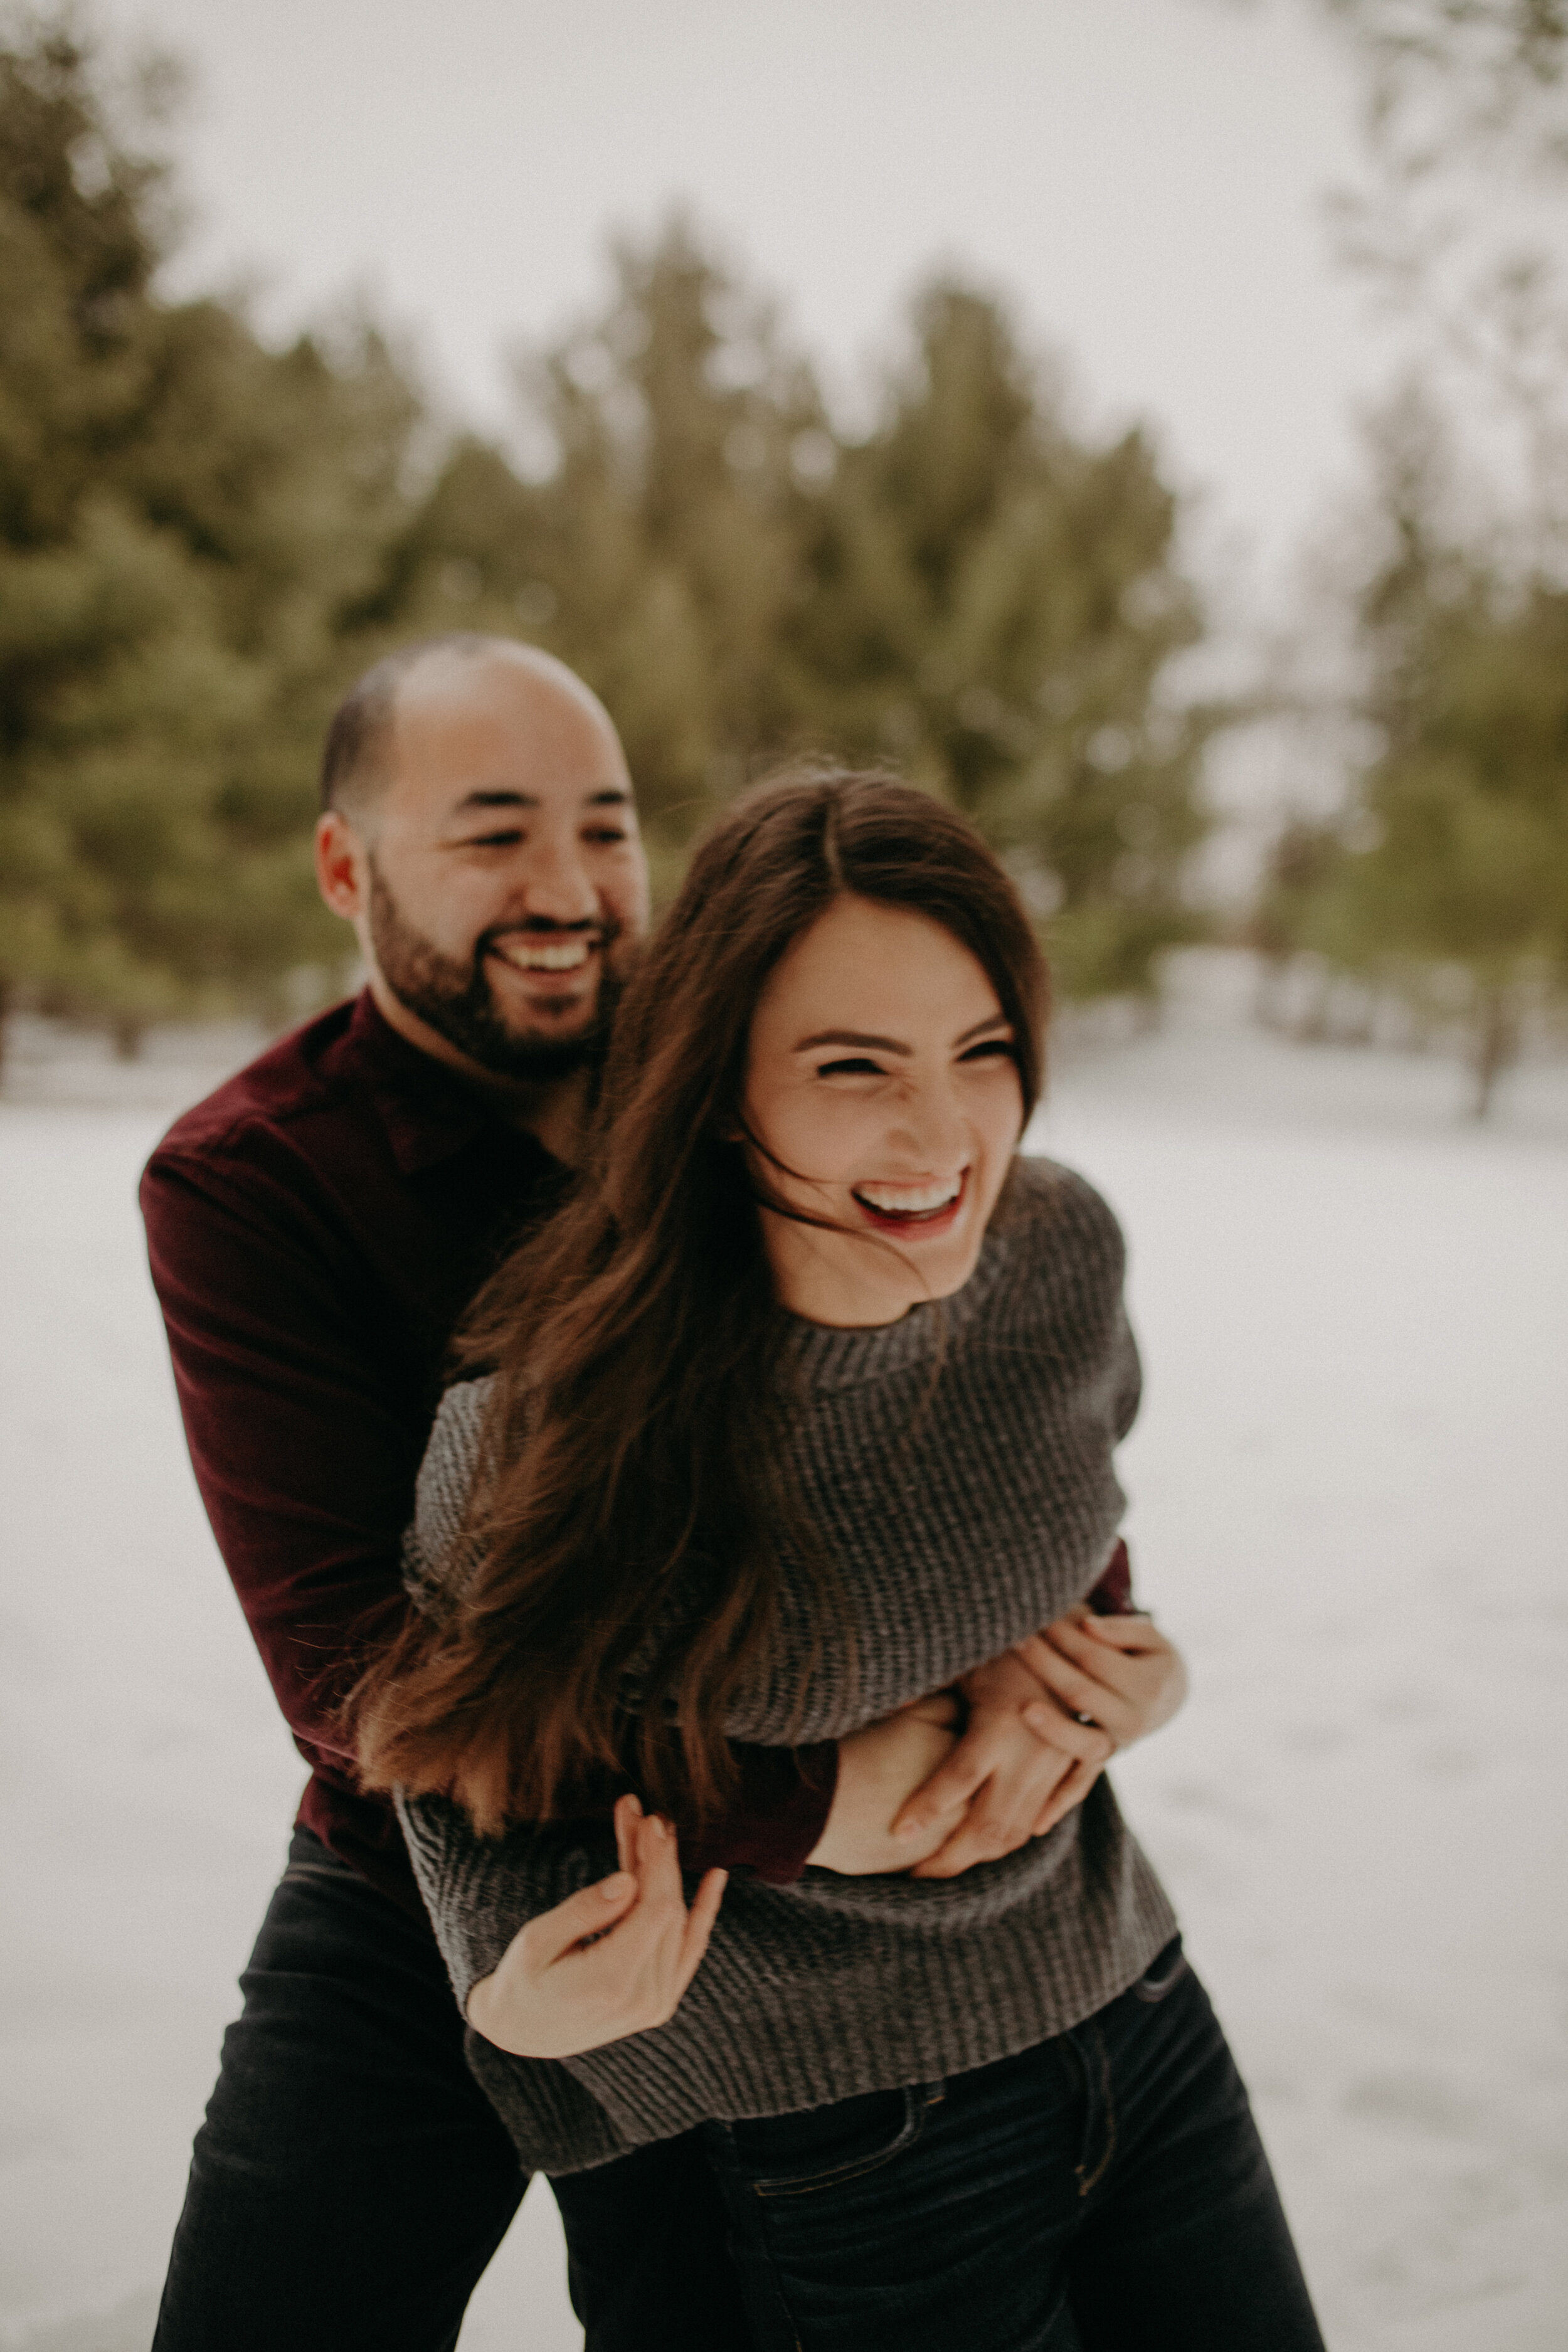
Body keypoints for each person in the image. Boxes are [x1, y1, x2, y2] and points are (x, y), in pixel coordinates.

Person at [140, 638, 1170, 2351]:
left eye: (605, 828)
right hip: (437, 1870)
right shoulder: (252, 1178)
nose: (567, 888)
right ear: (345, 864)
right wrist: (793, 1802)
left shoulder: (742, 1067)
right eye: (491, 834)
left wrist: (1076, 1634)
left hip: (754, 1939)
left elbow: (964, 1376)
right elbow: (361, 1679)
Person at [355, 767, 1326, 2351]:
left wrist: (1113, 1671)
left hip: (1135, 2009)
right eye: (850, 1065)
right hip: (841, 2140)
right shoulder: (557, 1429)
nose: (942, 1132)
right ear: (716, 1083)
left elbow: (1061, 1518)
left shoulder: (1054, 1251)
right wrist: (517, 2003)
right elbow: (471, 1789)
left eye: (982, 1052)